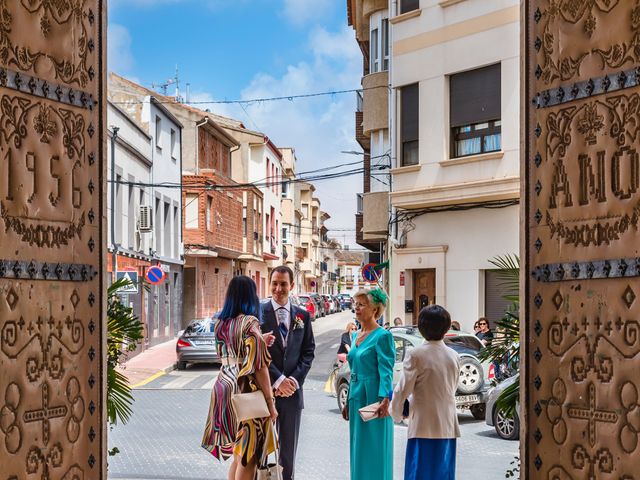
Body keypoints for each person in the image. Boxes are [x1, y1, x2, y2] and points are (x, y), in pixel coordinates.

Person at [201, 276, 278, 480]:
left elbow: (232, 352)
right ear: (251, 296)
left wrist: (260, 340)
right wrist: (270, 404)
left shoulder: (220, 323)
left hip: (223, 386)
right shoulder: (250, 322)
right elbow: (259, 367)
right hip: (244, 390)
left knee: (238, 453)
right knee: (249, 454)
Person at [391, 305, 460, 480]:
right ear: (446, 328)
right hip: (447, 424)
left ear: (421, 328)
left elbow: (402, 390)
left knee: (419, 473)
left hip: (423, 425)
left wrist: (396, 414)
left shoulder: (416, 355)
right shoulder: (454, 355)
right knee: (444, 474)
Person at [261, 266, 315, 480]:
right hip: (264, 394)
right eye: (274, 283)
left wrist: (293, 380)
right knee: (260, 452)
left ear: (291, 286)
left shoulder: (302, 315)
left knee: (288, 456)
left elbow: (308, 352)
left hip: (293, 395)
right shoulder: (258, 313)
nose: (278, 288)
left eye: (283, 284)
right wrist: (279, 380)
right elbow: (257, 353)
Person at [341, 287, 395, 480]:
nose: (356, 308)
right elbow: (354, 369)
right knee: (358, 448)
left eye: (362, 305)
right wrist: (347, 400)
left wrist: (385, 399)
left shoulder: (383, 336)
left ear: (375, 310)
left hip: (374, 399)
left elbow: (386, 371)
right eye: (355, 304)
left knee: (375, 449)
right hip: (356, 396)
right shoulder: (355, 335)